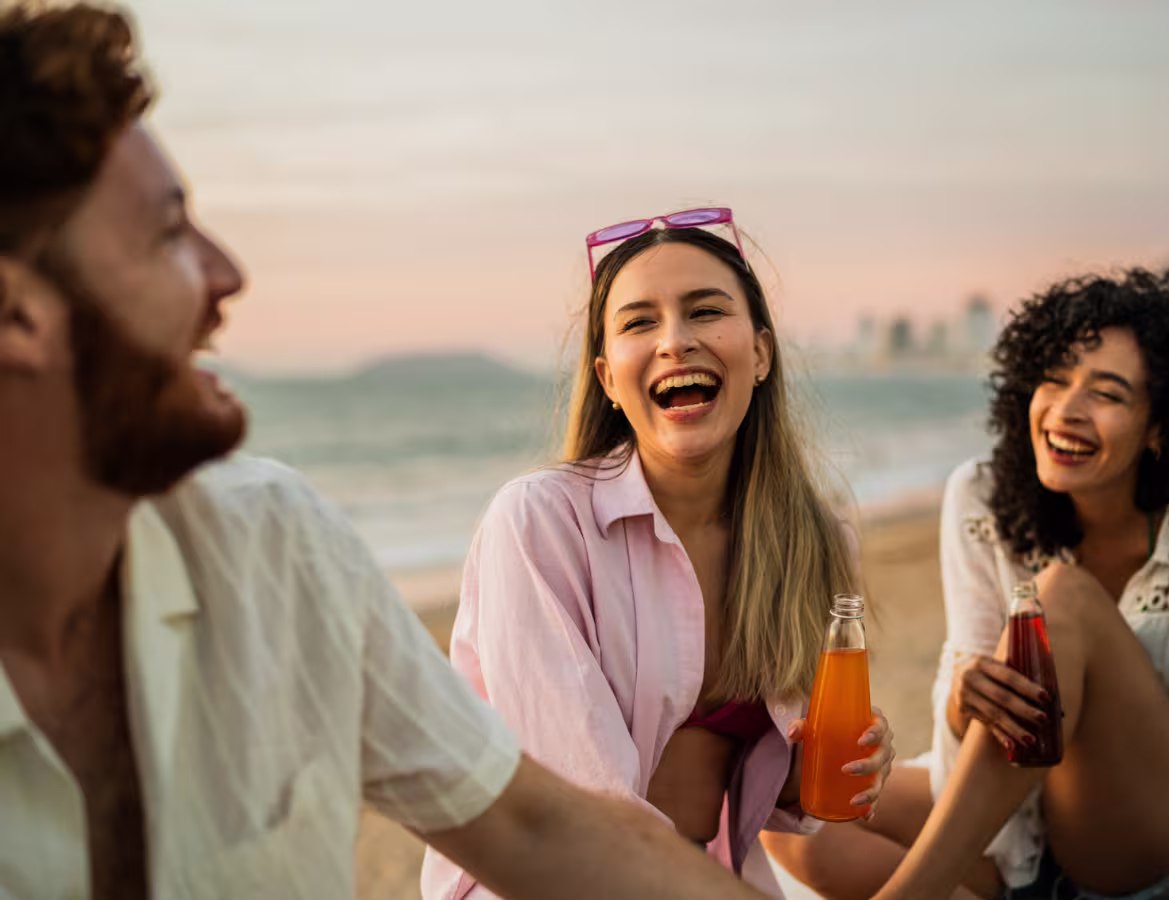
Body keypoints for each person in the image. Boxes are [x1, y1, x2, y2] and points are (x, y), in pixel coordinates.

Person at [0, 5, 797, 899]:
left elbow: (535, 825)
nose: (228, 275)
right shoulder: (534, 523)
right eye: (166, 236)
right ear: (17, 314)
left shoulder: (269, 547)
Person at [422, 212, 896, 899]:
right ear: (608, 377)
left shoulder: (815, 546)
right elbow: (586, 818)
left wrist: (838, 769)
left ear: (761, 354)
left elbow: (787, 799)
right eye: (639, 323)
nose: (675, 341)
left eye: (705, 310)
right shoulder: (538, 525)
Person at [767, 267, 1169, 900]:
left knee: (1058, 600)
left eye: (1105, 394)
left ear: (1160, 426)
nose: (1067, 411)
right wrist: (966, 694)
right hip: (1029, 824)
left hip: (1156, 830)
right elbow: (960, 687)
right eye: (1054, 380)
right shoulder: (982, 495)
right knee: (795, 808)